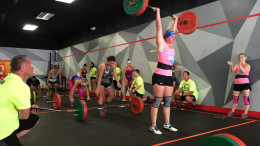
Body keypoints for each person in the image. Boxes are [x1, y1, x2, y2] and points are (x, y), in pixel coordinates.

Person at [150, 8, 178, 135]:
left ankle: (167, 124)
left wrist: (176, 20)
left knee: (167, 101)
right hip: (159, 76)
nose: (174, 37)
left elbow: (172, 30)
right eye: (172, 36)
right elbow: (159, 27)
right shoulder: (162, 44)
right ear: (167, 37)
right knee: (157, 101)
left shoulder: (171, 45)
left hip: (168, 76)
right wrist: (158, 12)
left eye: (174, 36)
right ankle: (153, 126)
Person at [0, 55, 39, 146]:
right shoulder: (21, 87)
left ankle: (11, 139)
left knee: (34, 118)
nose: (33, 67)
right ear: (23, 68)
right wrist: (29, 110)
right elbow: (24, 116)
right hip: (2, 130)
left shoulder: (7, 79)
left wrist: (28, 108)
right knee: (30, 117)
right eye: (30, 65)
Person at [227, 53, 251, 118]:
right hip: (237, 84)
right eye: (239, 57)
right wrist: (231, 65)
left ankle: (245, 113)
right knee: (235, 98)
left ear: (245, 58)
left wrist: (240, 66)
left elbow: (244, 71)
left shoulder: (248, 65)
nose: (240, 58)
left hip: (245, 84)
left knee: (246, 98)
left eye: (242, 57)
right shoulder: (236, 65)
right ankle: (232, 111)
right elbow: (232, 71)